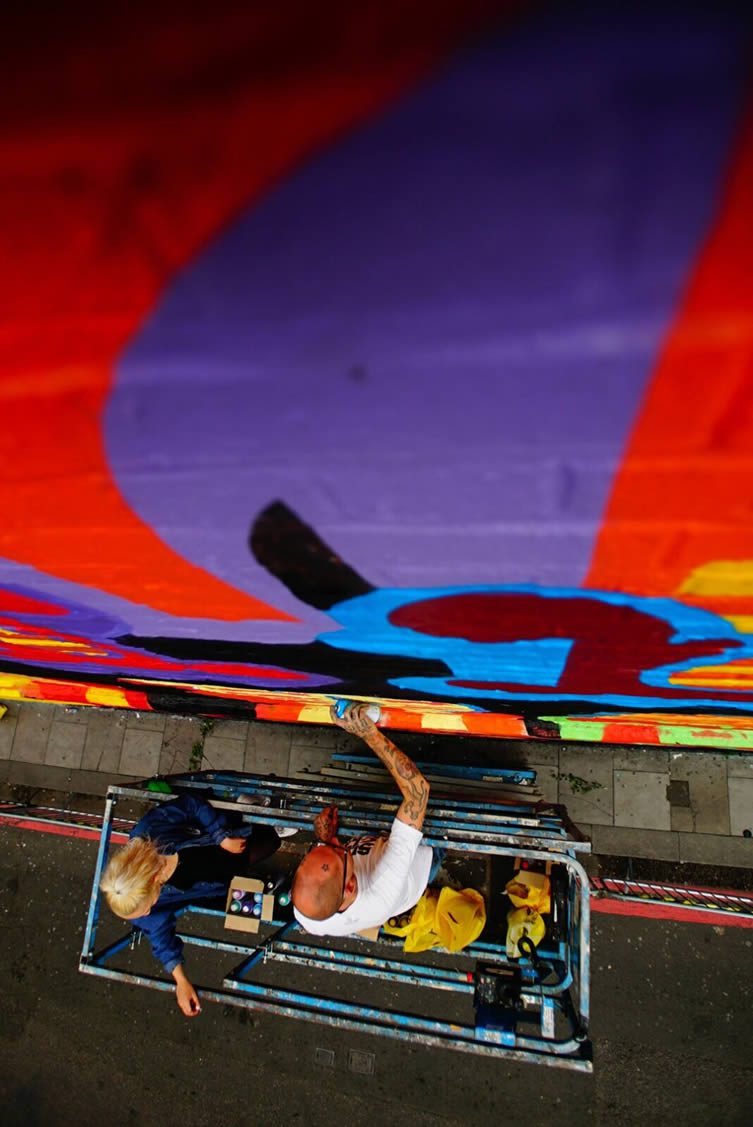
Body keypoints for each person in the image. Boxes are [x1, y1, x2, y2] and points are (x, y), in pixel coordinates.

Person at [100, 792, 281, 1016]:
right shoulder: (139, 901)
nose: (146, 913)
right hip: (222, 874)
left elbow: (192, 804)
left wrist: (221, 837)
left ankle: (247, 807)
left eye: (147, 906)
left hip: (225, 834)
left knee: (269, 839)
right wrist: (181, 981)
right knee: (273, 842)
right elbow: (158, 935)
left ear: (153, 881)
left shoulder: (150, 829)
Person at [292, 702, 436, 937]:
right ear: (350, 886)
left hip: (373, 850)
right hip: (419, 858)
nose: (337, 842)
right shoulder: (381, 891)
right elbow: (418, 793)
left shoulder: (306, 913)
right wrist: (369, 734)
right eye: (338, 851)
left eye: (315, 851)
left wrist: (324, 840)